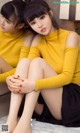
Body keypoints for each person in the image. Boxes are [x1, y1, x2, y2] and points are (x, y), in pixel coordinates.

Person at [5, 0, 80, 133]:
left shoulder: (71, 37)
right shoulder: (38, 40)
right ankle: (10, 121)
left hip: (72, 99)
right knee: (24, 62)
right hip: (50, 98)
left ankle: (25, 124)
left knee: (38, 63)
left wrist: (34, 85)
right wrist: (10, 78)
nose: (39, 25)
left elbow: (67, 77)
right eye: (33, 23)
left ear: (50, 14)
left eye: (42, 17)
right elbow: (25, 67)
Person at [0, 0, 34, 83]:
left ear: (20, 25)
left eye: (8, 21)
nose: (2, 22)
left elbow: (20, 71)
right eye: (2, 16)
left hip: (9, 74)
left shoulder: (27, 38)